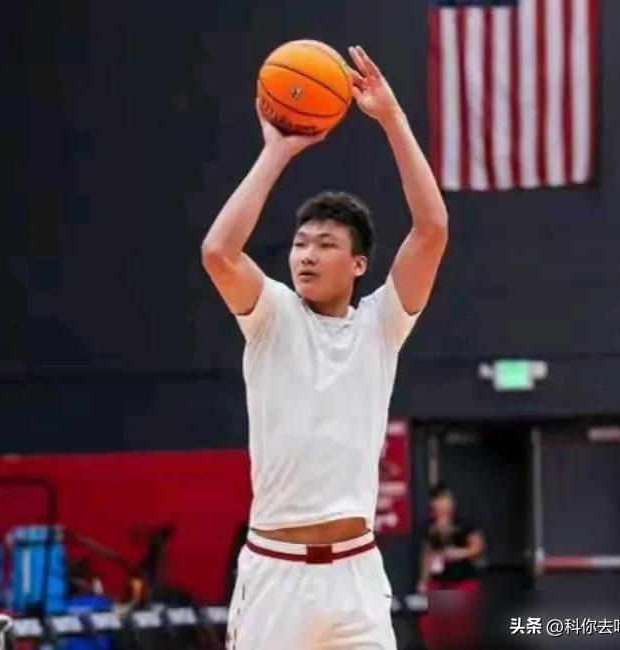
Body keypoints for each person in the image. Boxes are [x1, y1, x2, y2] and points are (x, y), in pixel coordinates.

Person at [201, 45, 448, 650]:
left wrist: (392, 118)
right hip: (275, 576)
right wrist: (277, 151)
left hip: (355, 578)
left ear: (359, 264)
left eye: (325, 245)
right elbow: (219, 254)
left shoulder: (381, 324)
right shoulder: (272, 315)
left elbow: (432, 230)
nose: (306, 255)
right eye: (300, 243)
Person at [417, 483, 485, 647]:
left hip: (462, 581)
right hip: (439, 582)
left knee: (460, 628)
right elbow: (427, 555)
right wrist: (423, 581)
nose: (439, 504)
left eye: (443, 500)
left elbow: (477, 547)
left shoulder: (465, 523)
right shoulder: (430, 526)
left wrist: (460, 553)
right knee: (433, 628)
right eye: (436, 500)